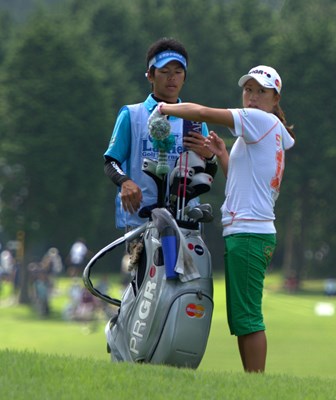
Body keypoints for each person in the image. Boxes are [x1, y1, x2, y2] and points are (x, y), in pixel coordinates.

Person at [149, 65, 295, 373]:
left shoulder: (258, 120)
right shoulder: (267, 129)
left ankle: (255, 386)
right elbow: (242, 180)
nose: (252, 97)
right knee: (243, 317)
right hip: (251, 233)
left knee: (248, 318)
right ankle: (251, 383)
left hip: (249, 234)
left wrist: (163, 106)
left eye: (261, 92)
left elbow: (202, 112)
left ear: (274, 98)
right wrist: (221, 155)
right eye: (248, 90)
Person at [102, 37, 215, 266]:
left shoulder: (194, 119)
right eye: (164, 71)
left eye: (178, 71)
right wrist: (125, 182)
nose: (172, 77)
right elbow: (111, 161)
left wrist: (210, 156)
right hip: (141, 222)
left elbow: (208, 170)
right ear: (150, 75)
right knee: (147, 291)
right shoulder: (132, 115)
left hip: (185, 221)